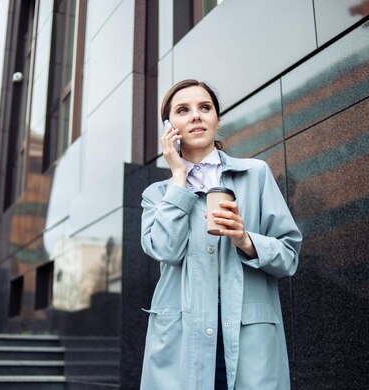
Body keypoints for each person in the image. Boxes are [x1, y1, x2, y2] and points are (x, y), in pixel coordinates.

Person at [140, 79, 302, 389]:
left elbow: (289, 256)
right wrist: (179, 179)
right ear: (169, 127)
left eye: (205, 107)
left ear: (217, 118)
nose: (196, 116)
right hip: (181, 344)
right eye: (183, 110)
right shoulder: (156, 195)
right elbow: (165, 251)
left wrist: (245, 240)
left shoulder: (256, 174)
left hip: (248, 339)